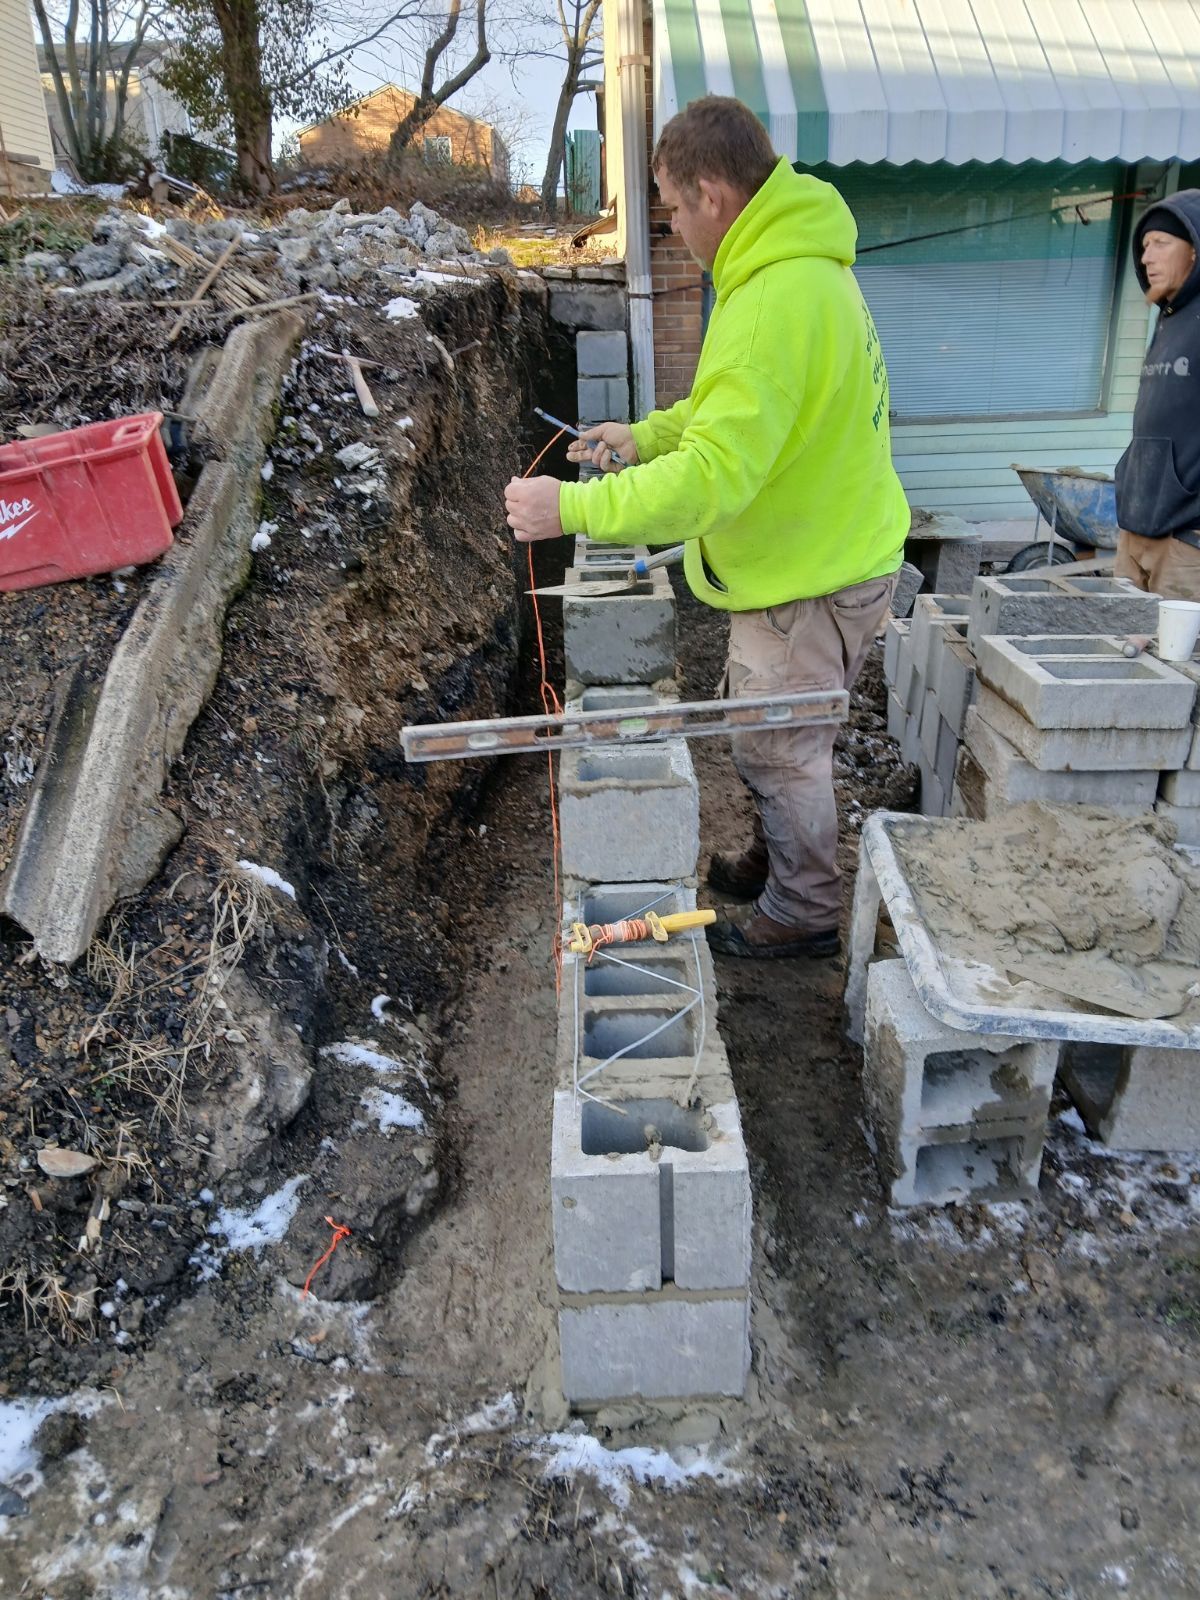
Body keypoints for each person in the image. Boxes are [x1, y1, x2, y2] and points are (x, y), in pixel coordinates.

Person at [504, 96, 908, 959]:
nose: (675, 226)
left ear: (714, 194)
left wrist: (567, 509)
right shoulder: (796, 265)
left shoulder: (770, 301)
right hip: (836, 550)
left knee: (779, 747)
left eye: (674, 208)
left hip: (813, 577)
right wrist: (646, 435)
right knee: (784, 736)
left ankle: (803, 913)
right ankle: (781, 862)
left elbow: (711, 484)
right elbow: (737, 415)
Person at [1114, 192, 1200, 600]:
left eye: (1161, 244)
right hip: (1137, 528)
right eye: (1145, 246)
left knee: (1176, 662)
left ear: (1195, 252)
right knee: (1117, 651)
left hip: (1185, 541)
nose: (1147, 257)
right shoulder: (1168, 319)